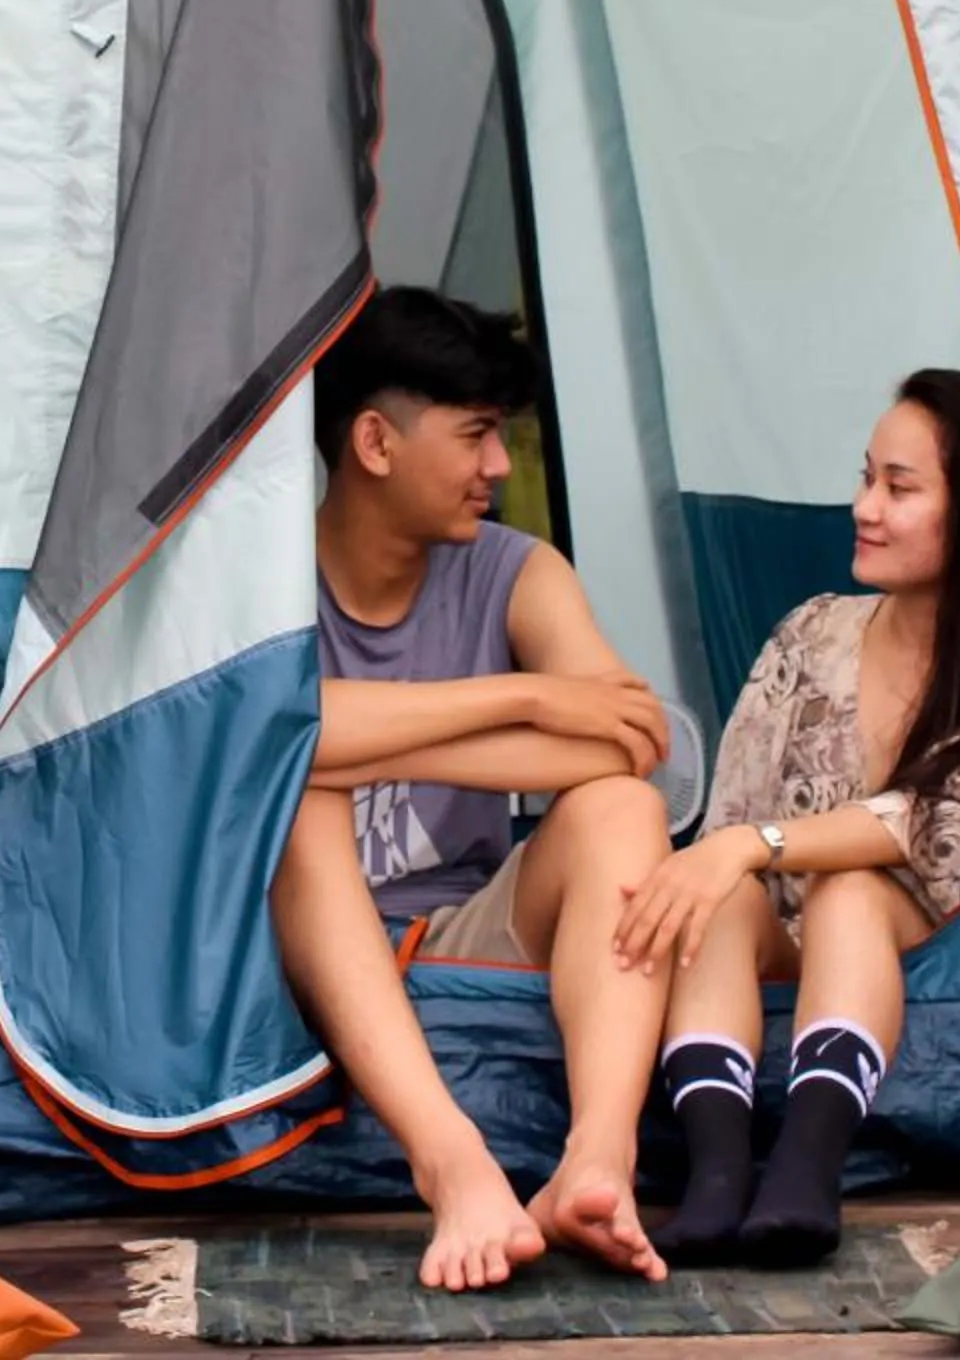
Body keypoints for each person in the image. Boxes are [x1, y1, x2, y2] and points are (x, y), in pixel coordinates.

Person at [272, 287, 680, 1294]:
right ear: (374, 441)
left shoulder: (519, 572)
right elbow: (270, 740)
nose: (498, 467)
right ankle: (452, 1160)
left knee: (624, 812)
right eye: (477, 435)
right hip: (296, 932)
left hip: (462, 921)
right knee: (299, 801)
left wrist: (364, 737)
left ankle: (597, 1158)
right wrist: (528, 697)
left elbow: (630, 743)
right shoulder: (261, 575)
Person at [614, 367, 960, 1269]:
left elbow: (938, 825)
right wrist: (725, 858)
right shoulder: (812, 631)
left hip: (926, 939)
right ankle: (717, 1176)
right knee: (722, 900)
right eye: (866, 478)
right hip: (784, 939)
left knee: (848, 890)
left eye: (899, 489)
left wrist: (757, 844)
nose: (864, 507)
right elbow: (732, 817)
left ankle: (807, 1168)